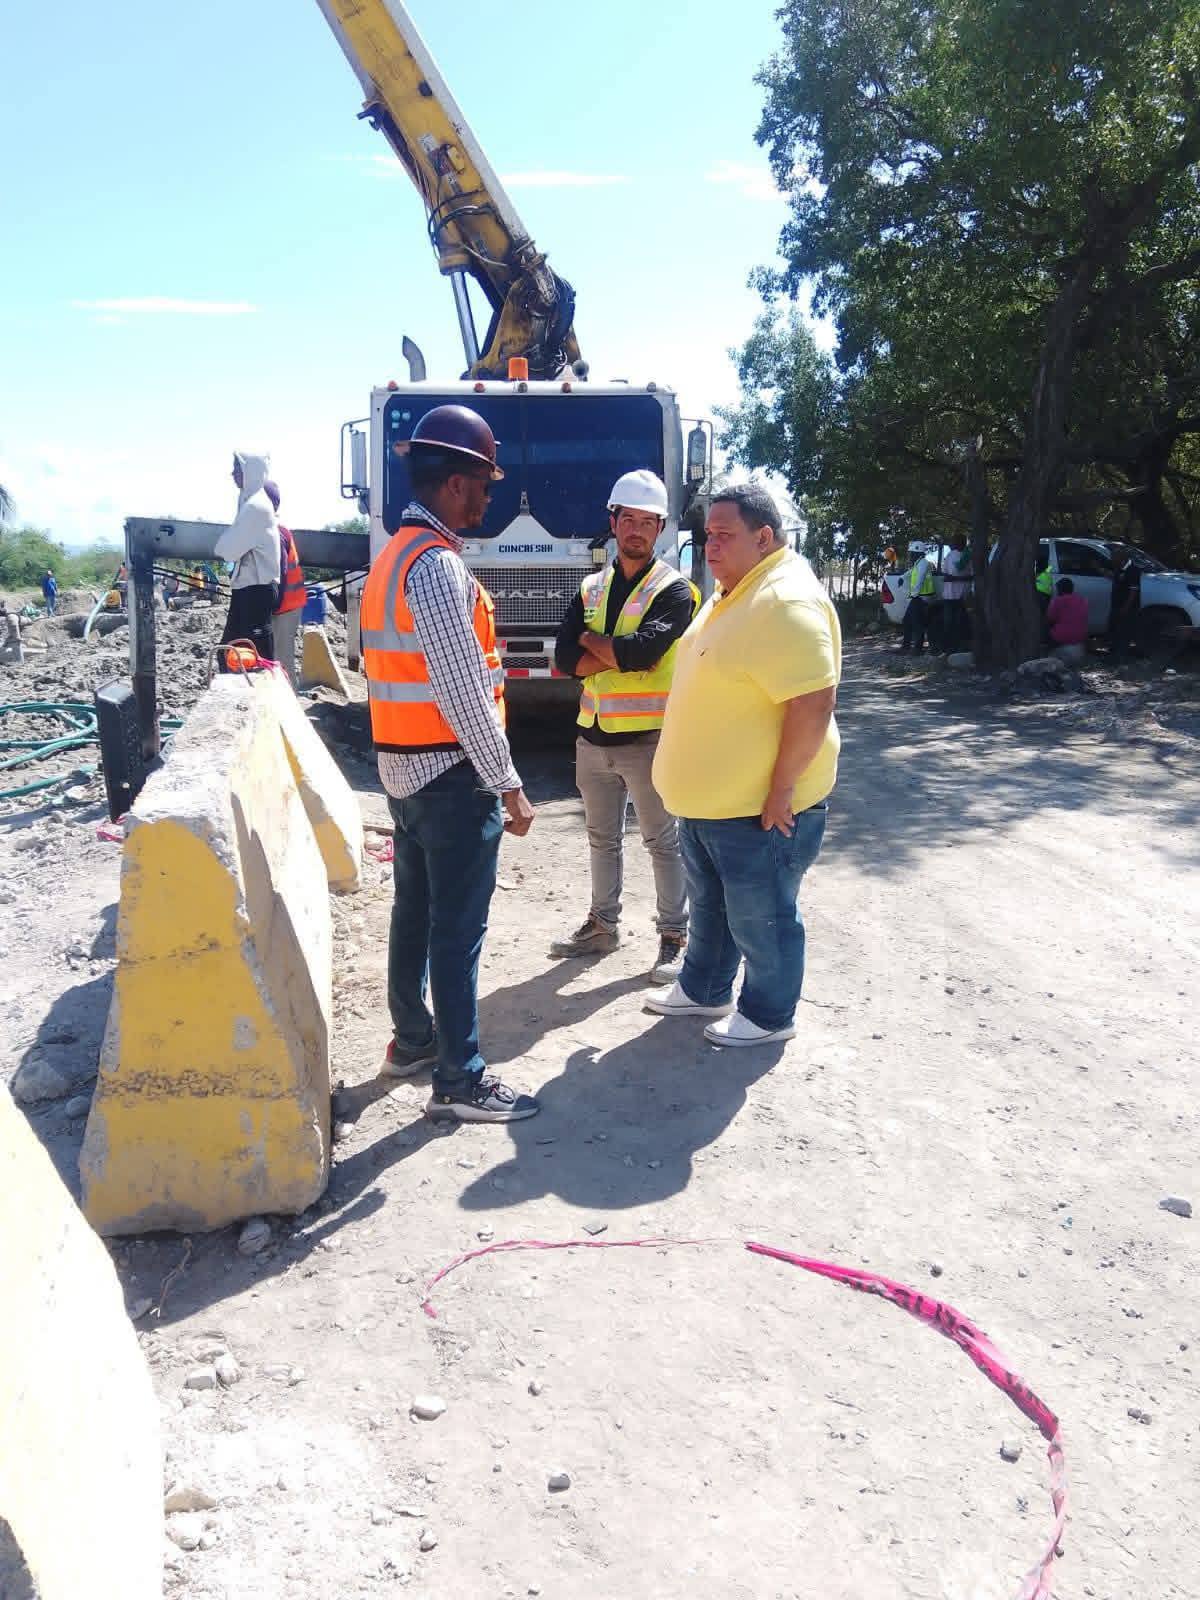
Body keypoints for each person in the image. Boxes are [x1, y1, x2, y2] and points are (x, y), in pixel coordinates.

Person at [362, 404, 539, 1124]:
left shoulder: (391, 557)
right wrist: (511, 786)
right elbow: (465, 694)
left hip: (404, 772)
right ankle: (460, 1077)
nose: (489, 498)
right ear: (457, 483)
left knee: (417, 911)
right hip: (448, 777)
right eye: (485, 484)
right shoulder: (435, 568)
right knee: (457, 929)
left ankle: (412, 1041)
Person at [647, 484, 840, 1047]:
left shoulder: (783, 600)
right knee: (712, 908)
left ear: (764, 536)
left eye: (725, 535)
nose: (711, 546)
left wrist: (782, 789)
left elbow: (812, 702)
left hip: (760, 808)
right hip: (715, 805)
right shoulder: (736, 591)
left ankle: (769, 1015)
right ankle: (704, 987)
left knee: (763, 917)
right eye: (708, 535)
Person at [551, 469, 696, 983]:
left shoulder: (677, 591)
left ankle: (675, 936)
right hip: (592, 738)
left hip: (649, 741)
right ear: (612, 522)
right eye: (627, 519)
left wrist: (596, 643)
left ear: (660, 529)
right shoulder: (591, 587)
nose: (635, 530)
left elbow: (642, 654)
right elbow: (562, 661)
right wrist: (612, 653)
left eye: (647, 522)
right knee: (600, 838)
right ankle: (602, 926)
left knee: (662, 841)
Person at [215, 451, 280, 665]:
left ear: (250, 471)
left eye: (237, 468)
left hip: (256, 591)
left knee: (255, 660)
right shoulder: (249, 502)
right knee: (231, 655)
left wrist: (223, 544)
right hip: (250, 590)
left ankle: (262, 697)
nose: (232, 473)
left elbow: (227, 550)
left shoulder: (255, 507)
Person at [264, 479, 306, 687]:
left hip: (284, 606)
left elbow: (279, 574)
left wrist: (271, 606)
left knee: (281, 660)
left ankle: (290, 708)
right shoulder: (276, 529)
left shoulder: (276, 532)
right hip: (287, 604)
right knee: (279, 658)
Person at [900, 543, 937, 653]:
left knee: (915, 622)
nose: (910, 555)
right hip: (919, 596)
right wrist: (902, 577)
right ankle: (908, 647)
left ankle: (916, 648)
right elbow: (911, 572)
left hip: (922, 597)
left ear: (918, 553)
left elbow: (920, 578)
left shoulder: (923, 564)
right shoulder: (919, 563)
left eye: (912, 553)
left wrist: (914, 594)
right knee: (910, 621)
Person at [1046, 577, 1089, 663]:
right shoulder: (1082, 601)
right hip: (1079, 638)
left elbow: (1050, 619)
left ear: (1061, 589)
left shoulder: (1058, 601)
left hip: (1060, 639)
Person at [940, 534, 971, 652]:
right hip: (949, 595)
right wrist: (948, 577)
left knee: (961, 623)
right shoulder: (949, 555)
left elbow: (973, 575)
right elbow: (945, 573)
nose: (953, 544)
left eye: (956, 541)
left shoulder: (968, 556)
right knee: (948, 623)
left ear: (962, 543)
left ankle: (961, 648)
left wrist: (956, 579)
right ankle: (948, 648)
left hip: (962, 596)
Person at [1109, 549, 1141, 658]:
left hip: (1127, 608)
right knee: (1114, 630)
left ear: (1121, 558)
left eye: (1113, 557)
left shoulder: (1133, 571)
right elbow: (1115, 578)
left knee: (1124, 632)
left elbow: (1133, 591)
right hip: (1117, 606)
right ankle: (1113, 654)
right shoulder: (1119, 569)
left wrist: (1125, 607)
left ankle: (1120, 657)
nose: (1111, 559)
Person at [0, 600, 22, 664]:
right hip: (11, 634)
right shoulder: (8, 617)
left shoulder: (5, 619)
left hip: (11, 634)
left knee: (15, 643)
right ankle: (18, 660)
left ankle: (17, 660)